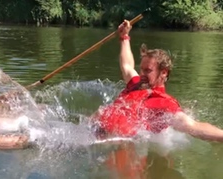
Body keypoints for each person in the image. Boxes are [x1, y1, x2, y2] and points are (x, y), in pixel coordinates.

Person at [91, 19, 223, 141]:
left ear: (164, 72)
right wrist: (124, 36)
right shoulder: (136, 83)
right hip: (92, 133)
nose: (142, 74)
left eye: (147, 70)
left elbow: (192, 126)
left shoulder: (164, 103)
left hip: (118, 145)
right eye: (141, 69)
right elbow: (126, 66)